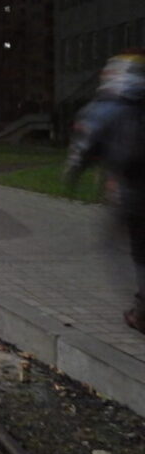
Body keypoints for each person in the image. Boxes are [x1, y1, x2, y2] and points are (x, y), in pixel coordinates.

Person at [64, 50, 145, 334]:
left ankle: (142, 311)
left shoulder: (105, 107)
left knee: (122, 248)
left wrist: (72, 175)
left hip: (130, 193)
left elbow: (83, 147)